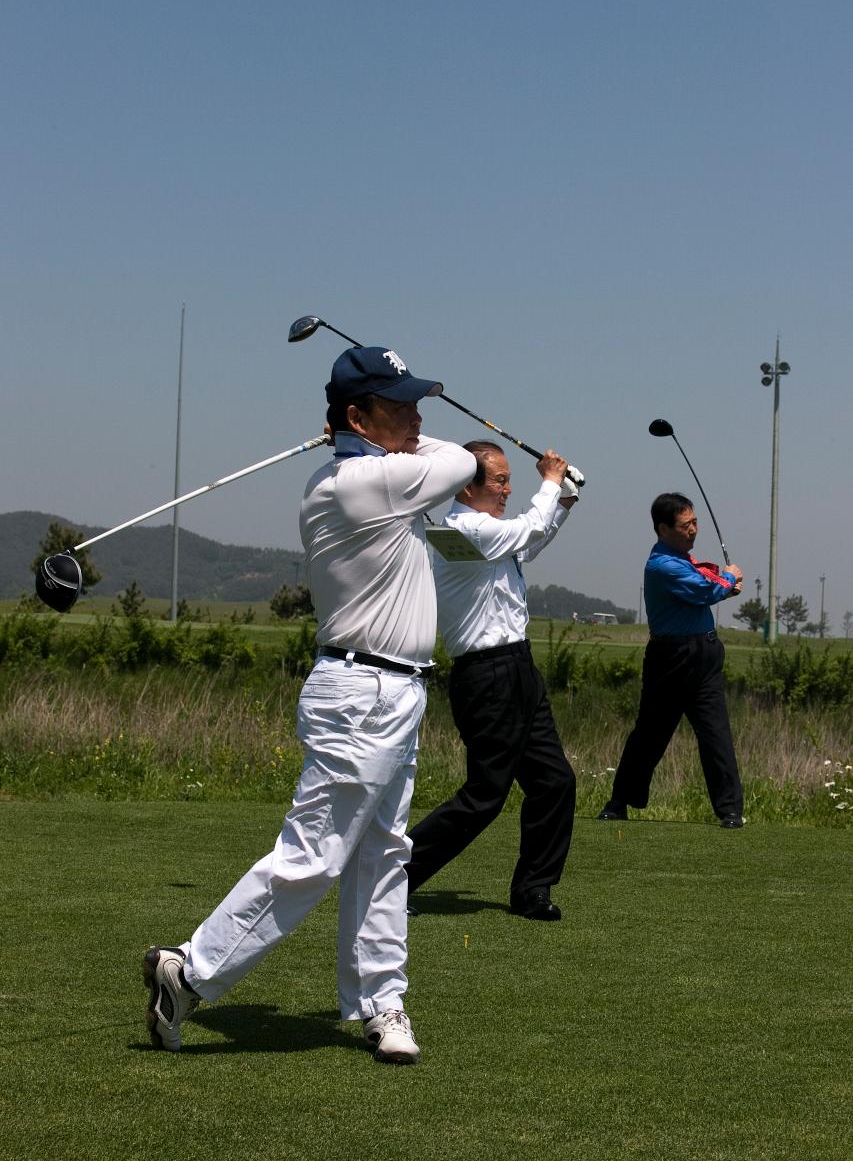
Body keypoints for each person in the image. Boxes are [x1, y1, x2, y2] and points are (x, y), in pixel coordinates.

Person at [143, 346, 476, 1063]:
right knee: (316, 856)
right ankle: (191, 972)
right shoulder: (358, 485)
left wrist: (364, 431)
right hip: (360, 693)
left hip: (397, 689)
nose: (417, 418)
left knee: (385, 854)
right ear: (356, 416)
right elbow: (464, 462)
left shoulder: (371, 473)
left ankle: (382, 1002)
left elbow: (440, 453)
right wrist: (359, 441)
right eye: (400, 406)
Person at [405, 440, 578, 922]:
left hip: (519, 668)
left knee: (554, 782)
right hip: (487, 675)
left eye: (508, 481)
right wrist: (550, 481)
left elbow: (531, 539)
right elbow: (527, 527)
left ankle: (533, 891)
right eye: (499, 481)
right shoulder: (466, 529)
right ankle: (392, 880)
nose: (506, 489)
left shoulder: (490, 532)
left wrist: (561, 502)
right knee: (485, 795)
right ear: (468, 485)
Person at [597, 492, 745, 829]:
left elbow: (707, 581)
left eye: (695, 522)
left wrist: (723, 582)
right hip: (670, 659)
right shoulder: (661, 564)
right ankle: (619, 802)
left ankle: (731, 810)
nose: (693, 530)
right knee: (649, 733)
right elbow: (705, 591)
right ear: (663, 529)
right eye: (685, 525)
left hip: (704, 656)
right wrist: (729, 577)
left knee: (715, 734)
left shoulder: (684, 559)